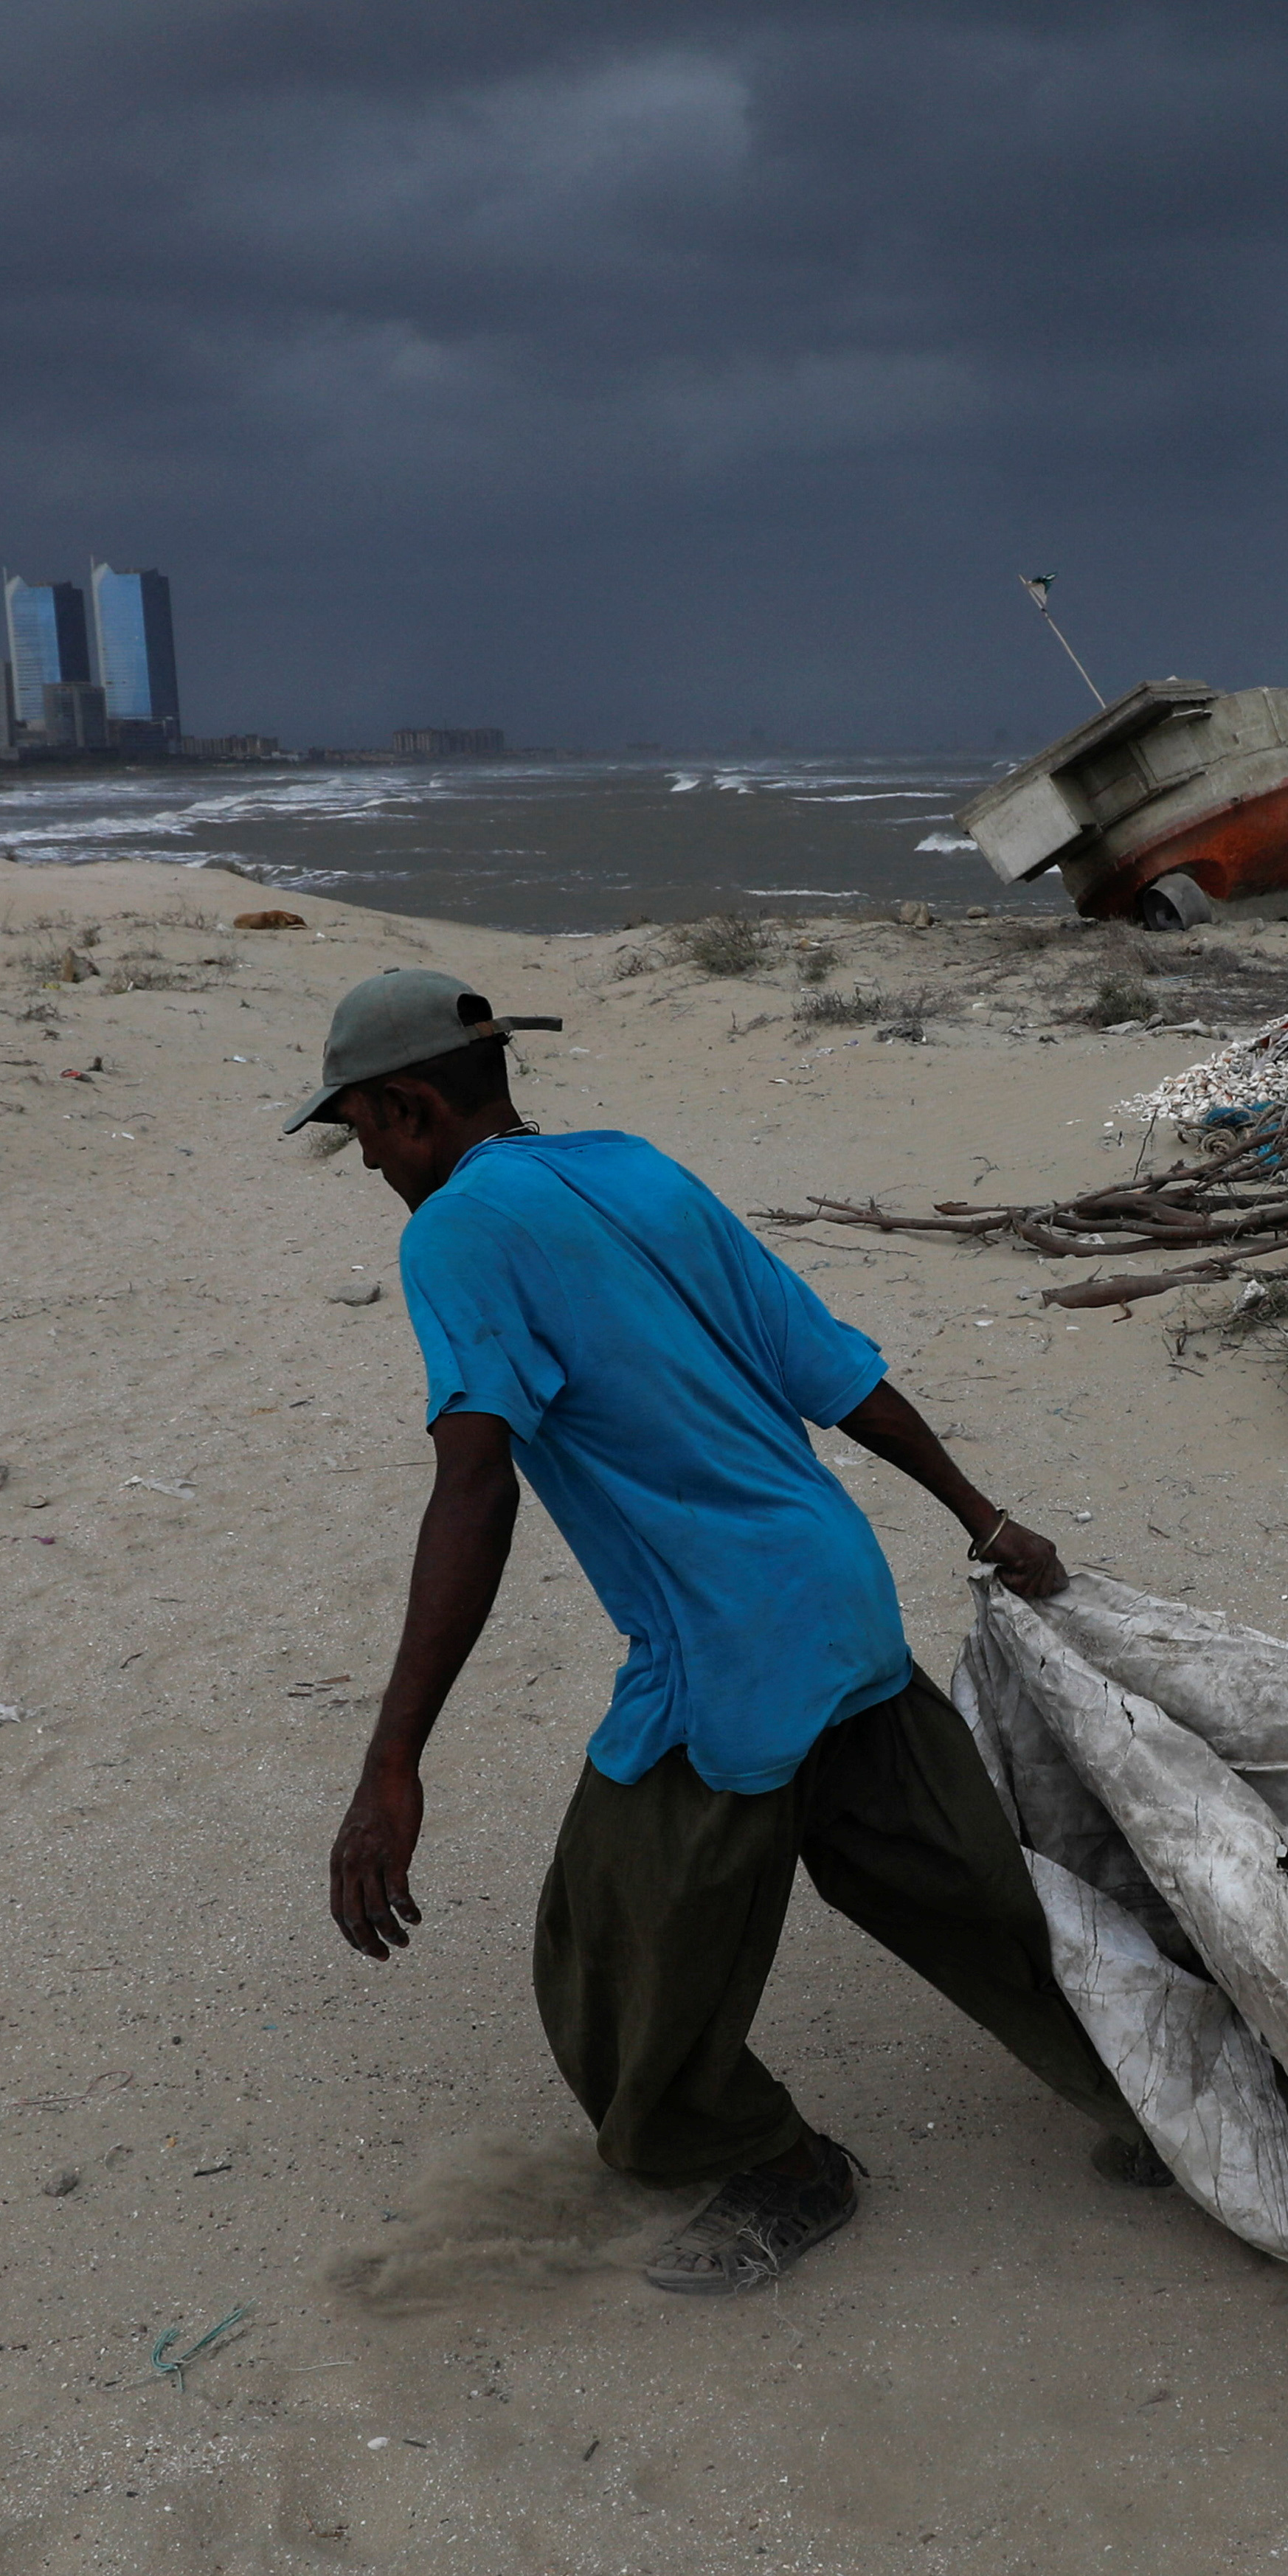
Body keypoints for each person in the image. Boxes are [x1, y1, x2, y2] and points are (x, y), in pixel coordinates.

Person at [296, 967, 1147, 2293]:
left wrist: (392, 1761)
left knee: (608, 1964)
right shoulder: (636, 1167)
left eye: (356, 1133)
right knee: (979, 1903)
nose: (367, 1164)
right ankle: (1172, 2102)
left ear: (407, 1107)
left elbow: (476, 1487)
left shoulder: (455, 1232)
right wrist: (981, 1516)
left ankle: (782, 2168)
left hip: (726, 1655)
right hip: (842, 1600)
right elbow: (836, 1370)